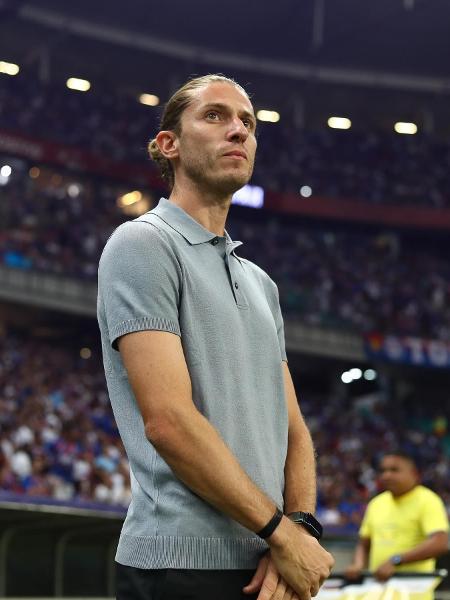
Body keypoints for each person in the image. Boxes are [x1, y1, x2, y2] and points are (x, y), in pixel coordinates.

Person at [97, 73, 334, 600]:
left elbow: (293, 428)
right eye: (215, 116)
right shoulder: (142, 244)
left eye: (248, 123)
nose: (239, 131)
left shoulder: (262, 284)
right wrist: (280, 532)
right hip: (179, 566)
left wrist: (298, 528)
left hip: (268, 566)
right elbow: (168, 421)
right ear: (168, 145)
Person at [345, 451, 448, 584]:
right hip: (378, 589)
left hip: (413, 591)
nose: (386, 475)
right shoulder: (376, 503)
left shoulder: (428, 501)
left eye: (395, 470)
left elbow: (440, 543)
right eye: (383, 470)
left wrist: (396, 560)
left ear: (414, 474)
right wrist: (357, 564)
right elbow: (364, 543)